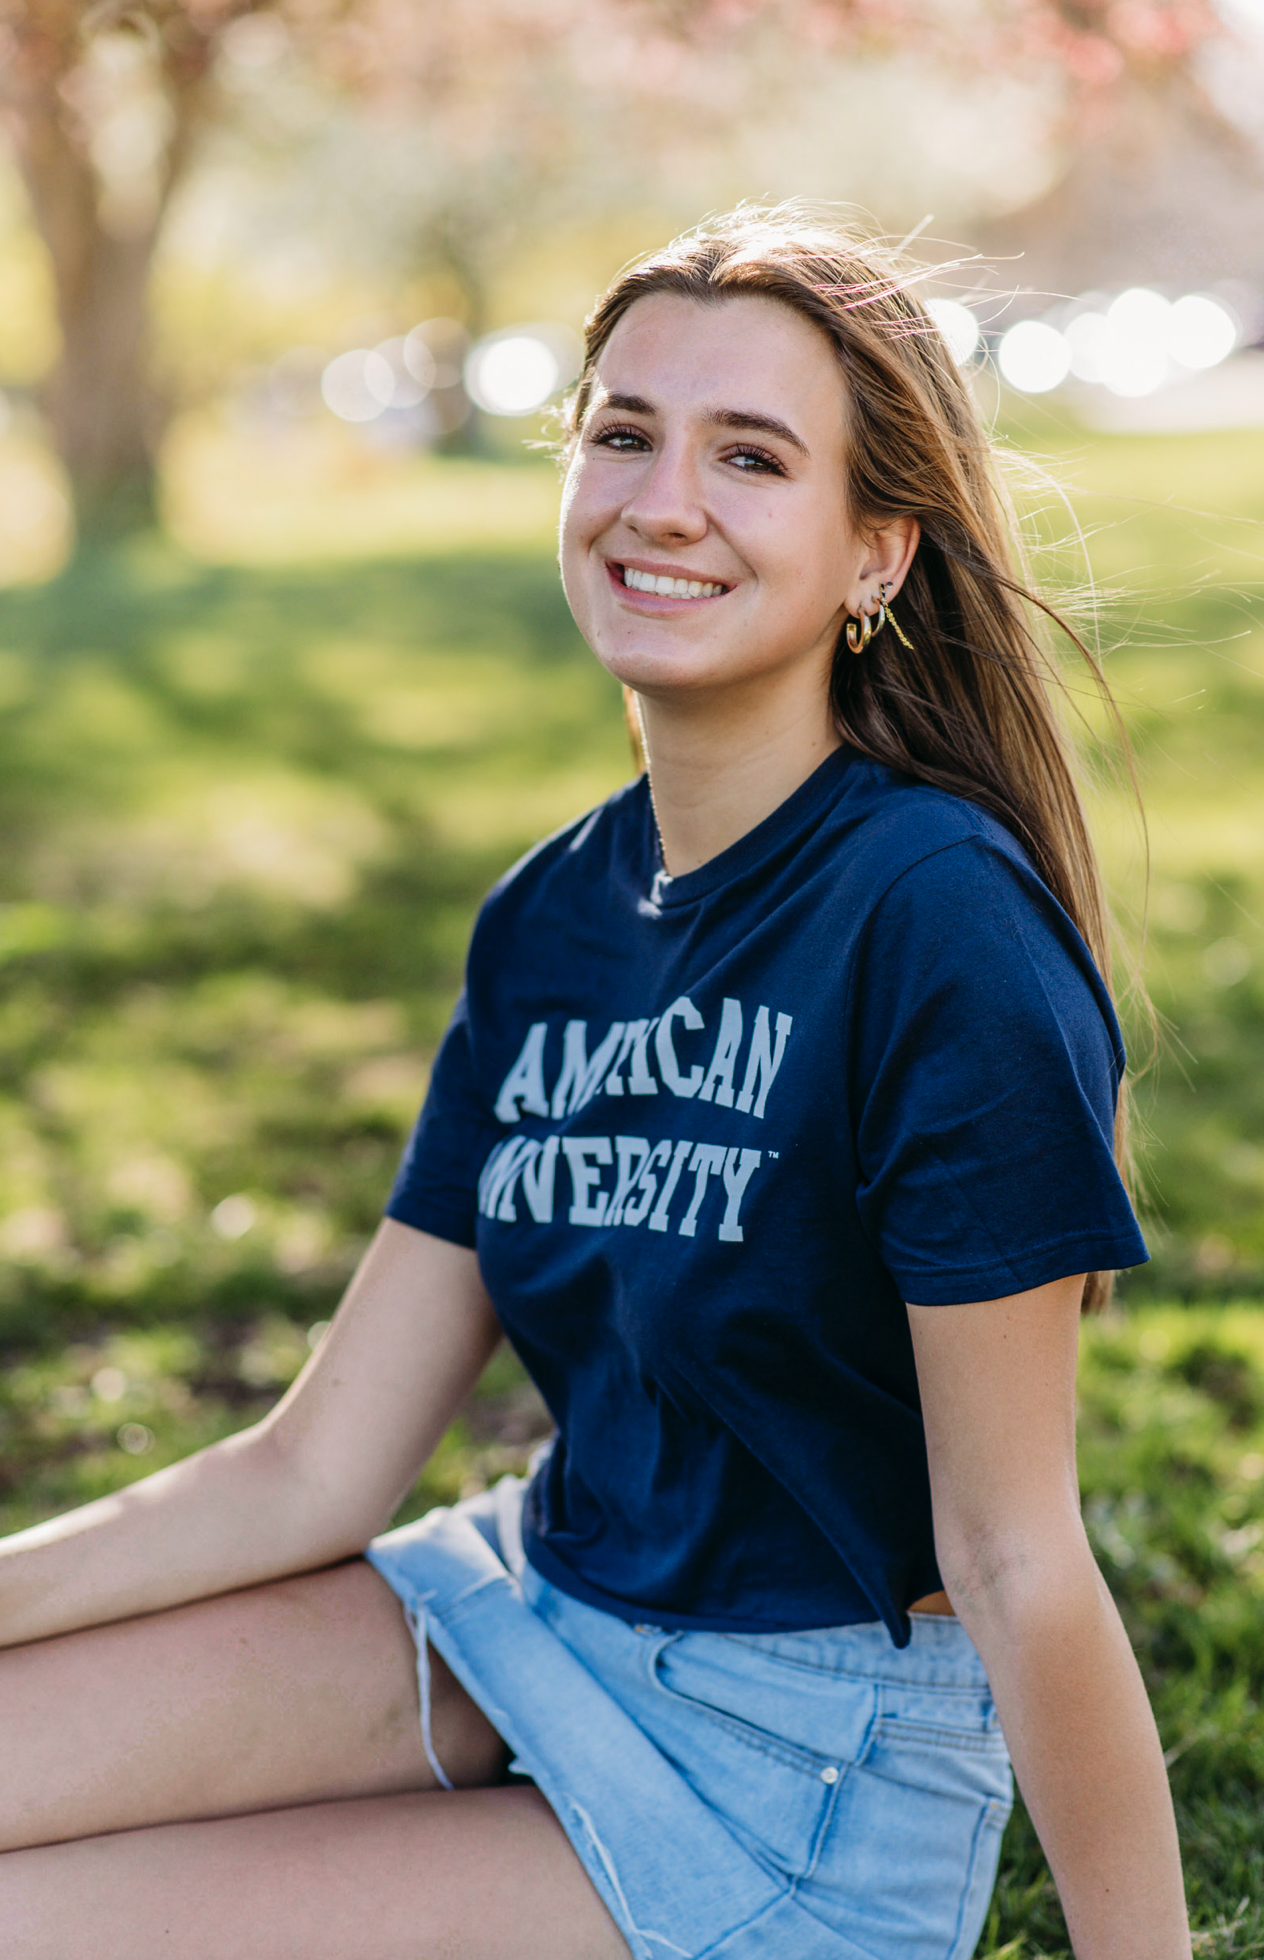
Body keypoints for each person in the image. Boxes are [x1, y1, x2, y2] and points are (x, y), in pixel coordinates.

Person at [0, 207, 1189, 1960]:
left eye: (752, 457)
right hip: (527, 1605)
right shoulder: (552, 913)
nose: (662, 501)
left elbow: (1015, 1558)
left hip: (800, 1768)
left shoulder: (935, 922)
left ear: (880, 551)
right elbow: (316, 1469)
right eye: (624, 433)